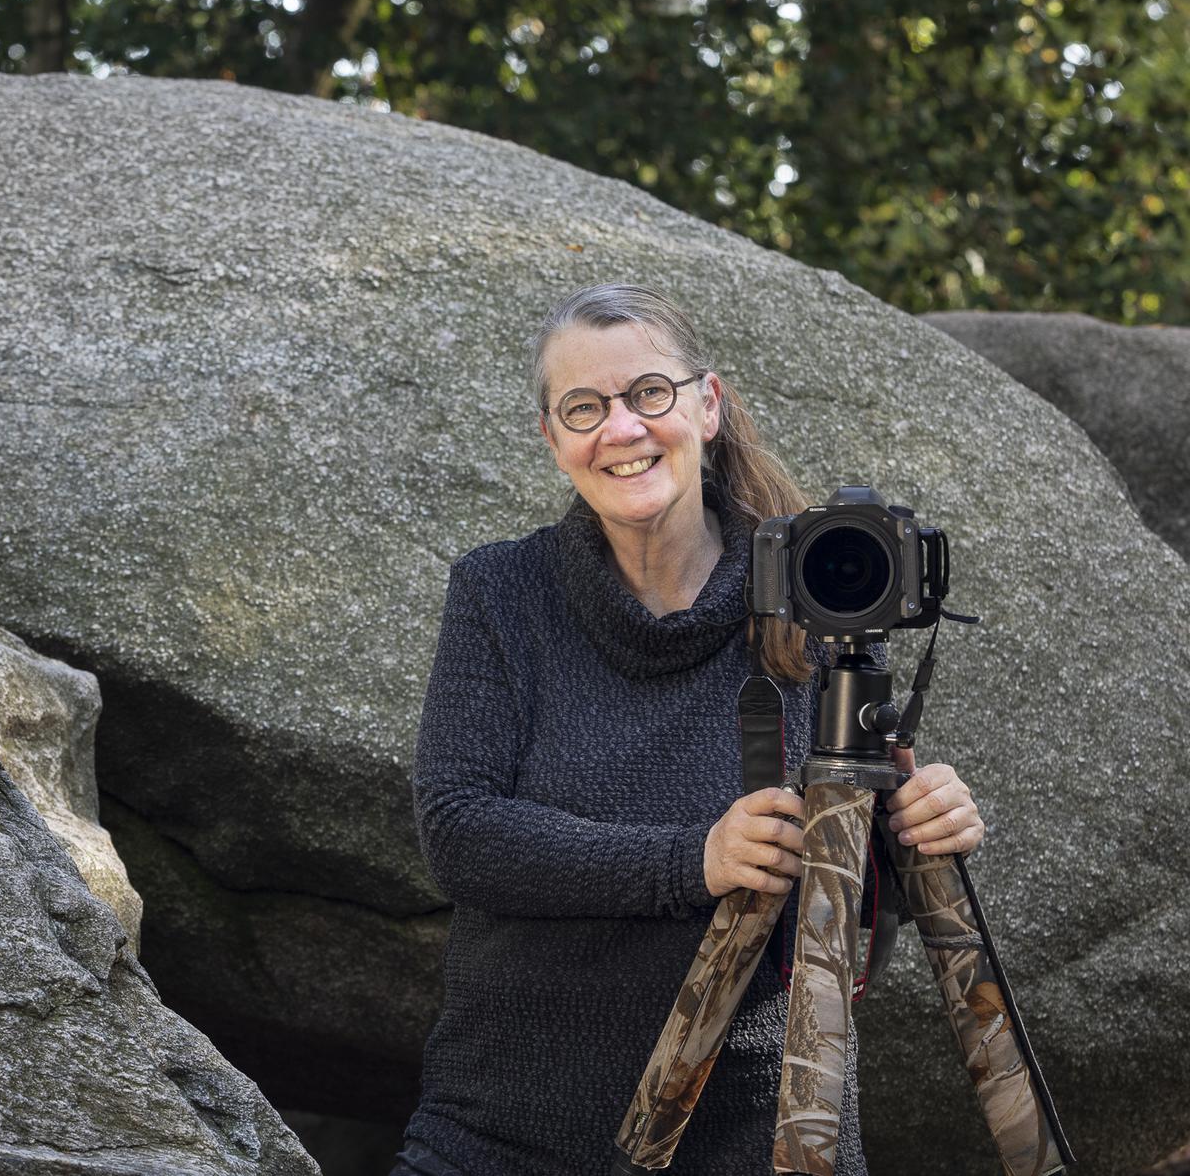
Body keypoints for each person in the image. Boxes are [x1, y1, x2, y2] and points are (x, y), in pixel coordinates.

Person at [389, 283, 986, 1176]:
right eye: (584, 408)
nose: (621, 429)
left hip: (762, 1137)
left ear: (708, 405)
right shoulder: (501, 593)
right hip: (497, 1131)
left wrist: (922, 833)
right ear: (551, 440)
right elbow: (461, 832)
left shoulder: (819, 595)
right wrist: (692, 860)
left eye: (649, 393)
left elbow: (854, 906)